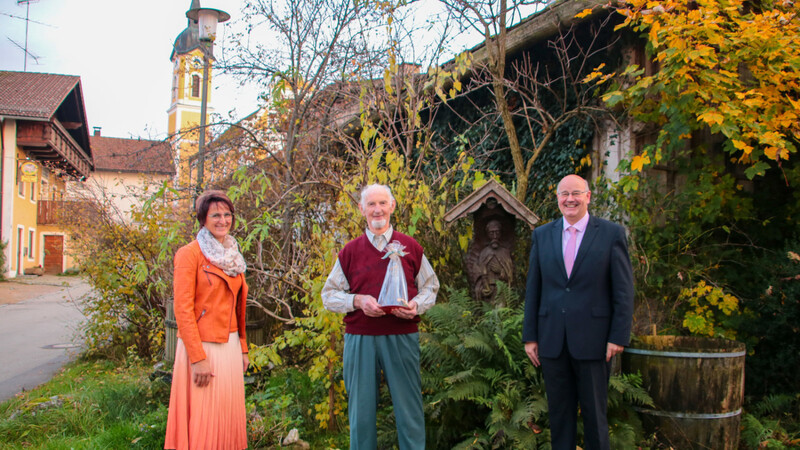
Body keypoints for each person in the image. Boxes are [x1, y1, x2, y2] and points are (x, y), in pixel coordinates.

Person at [322, 184, 440, 450]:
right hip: (360, 338)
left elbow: (431, 287)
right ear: (362, 209)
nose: (377, 209)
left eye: (382, 203)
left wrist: (415, 306)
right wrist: (357, 300)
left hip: (402, 335)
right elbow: (328, 295)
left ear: (392, 206)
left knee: (409, 408)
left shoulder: (410, 247)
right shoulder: (350, 252)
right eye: (371, 204)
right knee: (361, 412)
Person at [522, 174, 634, 450]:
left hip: (594, 342)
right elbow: (534, 289)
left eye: (576, 193)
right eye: (564, 194)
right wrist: (530, 337)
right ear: (557, 198)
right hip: (552, 342)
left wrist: (618, 337)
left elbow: (623, 290)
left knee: (596, 417)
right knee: (559, 417)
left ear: (588, 196)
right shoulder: (542, 235)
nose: (569, 199)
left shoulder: (611, 234)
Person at [165, 190, 249, 450]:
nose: (222, 220)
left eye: (227, 215)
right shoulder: (189, 255)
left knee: (226, 412)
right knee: (204, 417)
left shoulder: (233, 256)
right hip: (202, 348)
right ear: (203, 219)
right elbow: (183, 310)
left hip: (230, 346)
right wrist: (197, 358)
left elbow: (238, 307)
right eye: (215, 215)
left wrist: (243, 348)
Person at [475, 219, 514, 303]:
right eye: (491, 233)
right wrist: (483, 288)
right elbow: (478, 275)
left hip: (502, 291)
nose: (495, 236)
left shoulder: (505, 252)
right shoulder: (484, 253)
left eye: (497, 232)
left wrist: (501, 272)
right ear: (487, 234)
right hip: (488, 291)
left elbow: (510, 276)